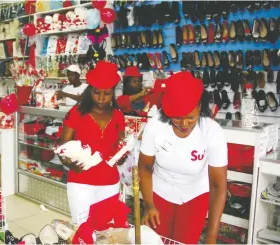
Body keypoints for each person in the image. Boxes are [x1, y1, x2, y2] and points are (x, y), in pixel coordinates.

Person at [138, 71, 227, 244]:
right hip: (159, 192)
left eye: (191, 117)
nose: (184, 124)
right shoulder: (155, 126)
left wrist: (211, 237)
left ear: (200, 107)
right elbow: (145, 167)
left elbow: (218, 186)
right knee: (156, 240)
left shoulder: (213, 132)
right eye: (177, 118)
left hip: (194, 195)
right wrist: (148, 204)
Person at [58, 61, 126, 224]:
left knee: (106, 231)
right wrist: (67, 162)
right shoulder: (76, 113)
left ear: (113, 93)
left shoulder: (118, 116)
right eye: (96, 92)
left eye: (107, 93)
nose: (101, 97)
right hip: (81, 181)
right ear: (90, 91)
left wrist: (121, 156)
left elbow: (120, 145)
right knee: (83, 229)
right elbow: (61, 146)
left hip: (110, 182)